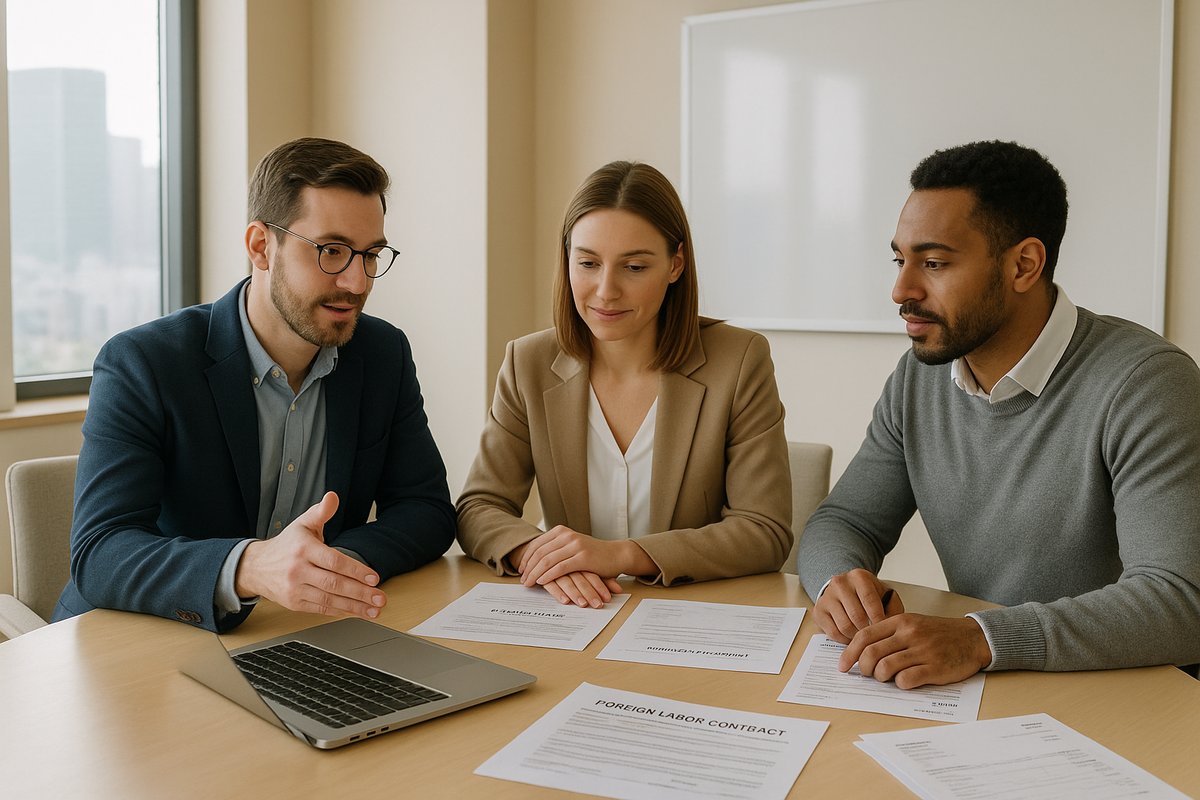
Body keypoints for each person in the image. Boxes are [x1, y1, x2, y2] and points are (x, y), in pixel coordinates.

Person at [799, 140, 1200, 688]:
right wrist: (838, 584)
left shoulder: (1146, 383)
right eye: (900, 259)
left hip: (1130, 697)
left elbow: (1179, 601)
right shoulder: (920, 377)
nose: (901, 289)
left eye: (934, 263)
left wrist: (979, 638)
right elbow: (844, 520)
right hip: (992, 687)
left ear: (1024, 265)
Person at [53, 137, 456, 632]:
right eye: (332, 251)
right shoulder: (144, 363)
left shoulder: (382, 353)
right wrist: (250, 568)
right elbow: (101, 553)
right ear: (261, 246)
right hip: (143, 640)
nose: (358, 282)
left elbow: (427, 510)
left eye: (370, 254)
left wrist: (322, 568)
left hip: (296, 631)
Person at [457, 161, 792, 608]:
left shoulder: (739, 360)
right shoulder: (528, 362)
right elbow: (478, 507)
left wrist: (618, 555)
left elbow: (763, 531)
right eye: (588, 263)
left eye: (634, 267)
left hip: (690, 618)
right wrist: (544, 556)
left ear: (675, 265)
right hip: (573, 612)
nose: (605, 290)